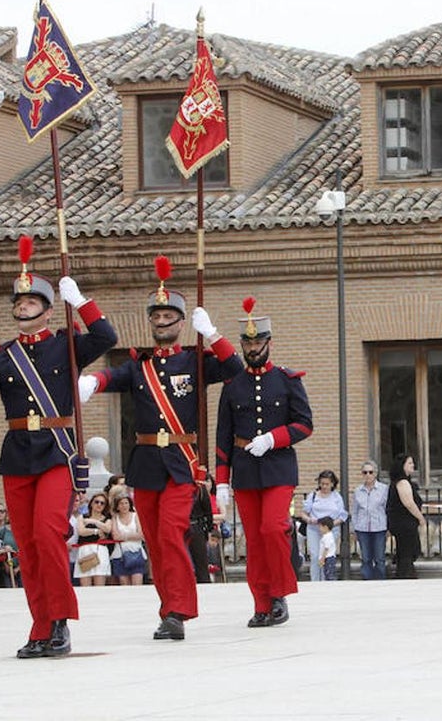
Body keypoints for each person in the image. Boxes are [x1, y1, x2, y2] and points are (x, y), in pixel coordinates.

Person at [0, 243, 117, 659]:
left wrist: (80, 302)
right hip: (17, 455)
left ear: (47, 308)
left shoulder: (66, 344)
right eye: (20, 301)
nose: (24, 307)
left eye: (32, 301)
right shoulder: (1, 356)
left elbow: (106, 337)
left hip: (56, 453)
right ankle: (40, 626)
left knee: (48, 534)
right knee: (26, 547)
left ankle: (60, 621)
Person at [79, 256, 242, 641]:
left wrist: (214, 335)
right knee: (154, 540)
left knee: (171, 534)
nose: (163, 321)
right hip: (147, 462)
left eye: (170, 316)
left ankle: (180, 611)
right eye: (157, 316)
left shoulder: (196, 361)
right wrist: (93, 382)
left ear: (182, 323)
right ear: (152, 322)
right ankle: (168, 609)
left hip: (181, 463)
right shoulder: (141, 365)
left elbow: (235, 370)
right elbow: (113, 375)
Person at [215, 305, 312, 626]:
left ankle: (279, 594)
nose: (252, 349)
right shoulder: (232, 385)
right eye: (247, 344)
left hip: (278, 467)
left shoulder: (286, 380)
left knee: (273, 528)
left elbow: (305, 424)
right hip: (244, 470)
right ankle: (261, 604)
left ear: (269, 342)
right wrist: (221, 481)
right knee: (254, 541)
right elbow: (223, 436)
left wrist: (273, 438)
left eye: (258, 344)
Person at [299, 470, 348, 582]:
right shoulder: (313, 496)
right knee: (315, 556)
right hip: (314, 529)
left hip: (331, 530)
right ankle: (315, 581)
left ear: (332, 484)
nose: (324, 486)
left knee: (327, 555)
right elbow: (303, 513)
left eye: (327, 484)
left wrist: (330, 524)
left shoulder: (337, 497)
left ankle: (326, 580)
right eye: (322, 484)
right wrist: (309, 520)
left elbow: (342, 515)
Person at [386, 454, 426, 579]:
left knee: (405, 549)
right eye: (409, 463)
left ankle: (404, 572)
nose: (412, 465)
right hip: (404, 523)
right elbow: (408, 503)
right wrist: (420, 518)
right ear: (402, 466)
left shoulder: (402, 482)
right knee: (407, 550)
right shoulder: (402, 482)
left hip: (402, 522)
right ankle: (405, 574)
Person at [352, 460, 389, 580]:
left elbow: (387, 509)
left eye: (370, 472)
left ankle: (381, 581)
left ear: (375, 473)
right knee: (366, 558)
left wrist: (389, 527)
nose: (368, 475)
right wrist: (354, 528)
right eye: (365, 472)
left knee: (379, 558)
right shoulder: (358, 491)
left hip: (379, 527)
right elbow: (355, 511)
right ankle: (367, 582)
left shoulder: (384, 489)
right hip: (362, 528)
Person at [73, 492, 113, 586]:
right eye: (97, 502)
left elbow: (107, 528)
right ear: (91, 503)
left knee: (99, 584)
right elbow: (81, 531)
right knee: (85, 585)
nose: (99, 505)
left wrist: (93, 521)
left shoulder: (107, 519)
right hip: (84, 551)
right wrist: (96, 531)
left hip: (101, 551)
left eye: (102, 503)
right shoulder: (82, 517)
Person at [110, 489, 147, 586]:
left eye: (126, 503)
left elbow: (141, 534)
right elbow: (115, 536)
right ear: (117, 506)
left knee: (137, 583)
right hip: (120, 555)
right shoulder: (115, 518)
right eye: (121, 503)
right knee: (124, 584)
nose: (124, 506)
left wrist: (124, 536)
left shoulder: (136, 516)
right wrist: (132, 535)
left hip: (136, 553)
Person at [0, 503, 20, 586]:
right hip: (7, 567)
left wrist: (19, 568)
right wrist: (5, 565)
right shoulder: (2, 531)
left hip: (21, 568)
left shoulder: (22, 530)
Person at [316, 516, 339, 581]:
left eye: (320, 527)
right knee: (327, 573)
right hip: (327, 558)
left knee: (329, 573)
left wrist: (322, 559)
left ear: (325, 527)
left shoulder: (328, 536)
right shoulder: (326, 536)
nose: (319, 529)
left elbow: (326, 548)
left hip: (328, 558)